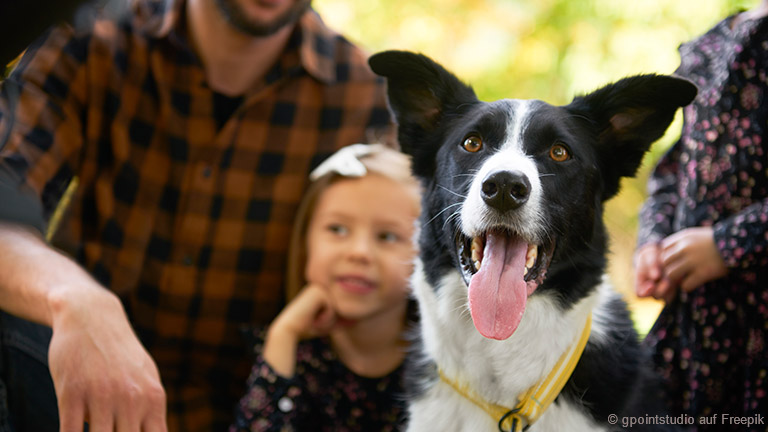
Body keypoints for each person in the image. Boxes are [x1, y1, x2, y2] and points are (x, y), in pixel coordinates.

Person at [0, 0, 393, 430]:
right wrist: (72, 296)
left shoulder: (365, 94)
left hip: (255, 412)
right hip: (73, 399)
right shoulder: (93, 39)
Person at [634, 2, 768, 429]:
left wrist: (726, 245)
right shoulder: (712, 41)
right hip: (699, 326)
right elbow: (676, 167)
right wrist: (654, 242)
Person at [230, 143, 420, 432]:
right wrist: (284, 334)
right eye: (338, 229)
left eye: (387, 236)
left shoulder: (438, 361)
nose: (359, 252)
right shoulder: (289, 354)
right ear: (306, 241)